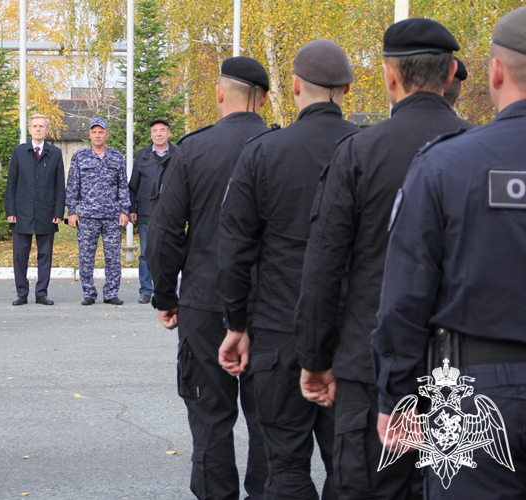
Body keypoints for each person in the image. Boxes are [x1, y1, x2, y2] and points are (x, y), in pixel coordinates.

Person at [294, 18, 473, 500]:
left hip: (368, 368)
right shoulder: (479, 152)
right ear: (452, 72)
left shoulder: (360, 153)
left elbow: (324, 267)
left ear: (391, 77)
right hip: (461, 372)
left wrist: (314, 359)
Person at [372, 7, 526, 498]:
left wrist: (396, 397)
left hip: (474, 391)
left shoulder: (446, 164)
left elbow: (405, 295)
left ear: (496, 72)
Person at [217, 40, 358, 500]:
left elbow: (235, 249)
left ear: (295, 86)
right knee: (351, 470)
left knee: (285, 467)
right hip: (351, 338)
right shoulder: (365, 149)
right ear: (347, 90)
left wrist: (236, 323)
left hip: (278, 333)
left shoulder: (264, 152)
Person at [148, 56, 271, 500]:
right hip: (266, 305)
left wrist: (165, 295)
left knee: (210, 417)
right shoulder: (277, 146)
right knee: (266, 421)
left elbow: (164, 232)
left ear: (220, 94)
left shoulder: (192, 150)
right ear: (265, 98)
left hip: (203, 300)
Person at [65, 117, 130, 306]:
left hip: (112, 216)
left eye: (101, 132)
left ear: (107, 134)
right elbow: (72, 185)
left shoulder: (116, 157)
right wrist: (72, 211)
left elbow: (122, 186)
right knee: (86, 256)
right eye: (94, 132)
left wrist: (124, 210)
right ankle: (89, 293)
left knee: (112, 257)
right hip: (87, 216)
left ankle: (111, 292)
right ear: (90, 135)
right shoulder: (80, 157)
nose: (97, 135)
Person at [5, 114, 65, 306]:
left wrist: (58, 212)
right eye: (35, 126)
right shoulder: (19, 152)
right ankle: (21, 293)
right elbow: (12, 183)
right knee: (20, 255)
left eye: (41, 126)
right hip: (22, 213)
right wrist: (10, 210)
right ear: (29, 129)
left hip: (46, 213)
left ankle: (42, 293)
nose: (38, 129)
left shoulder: (55, 153)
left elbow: (59, 185)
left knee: (45, 255)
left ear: (47, 130)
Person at [129, 119, 176, 305]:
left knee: (170, 253)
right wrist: (131, 208)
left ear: (168, 133)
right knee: (147, 253)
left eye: (162, 130)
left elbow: (187, 184)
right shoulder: (142, 156)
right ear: (151, 135)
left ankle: (168, 291)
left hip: (172, 213)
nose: (158, 134)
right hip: (146, 211)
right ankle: (146, 290)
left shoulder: (179, 155)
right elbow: (133, 186)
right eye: (155, 131)